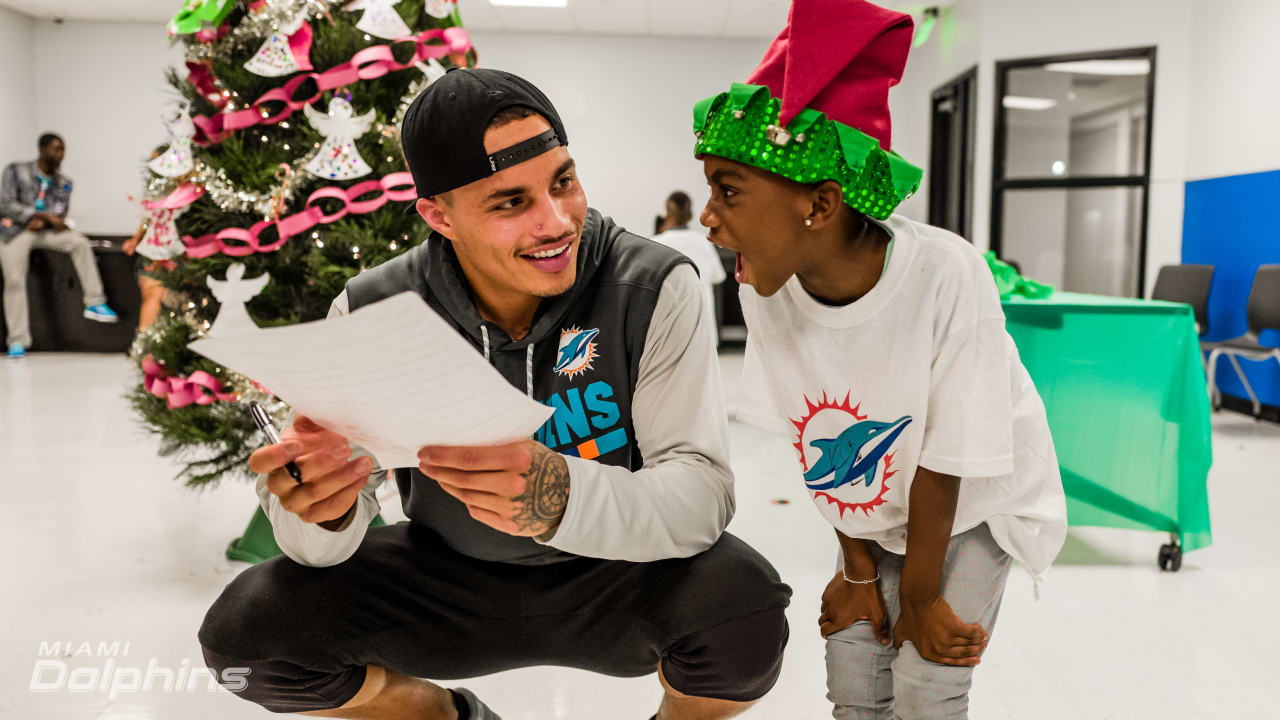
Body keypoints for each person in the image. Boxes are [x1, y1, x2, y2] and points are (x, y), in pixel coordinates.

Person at [199, 68, 791, 720]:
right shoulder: (377, 306)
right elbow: (320, 548)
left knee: (745, 613)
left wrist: (558, 495)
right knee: (247, 638)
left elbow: (702, 496)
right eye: (510, 202)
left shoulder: (653, 284)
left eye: (563, 181)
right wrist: (320, 511)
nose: (556, 221)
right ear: (437, 215)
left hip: (618, 573)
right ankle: (448, 716)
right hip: (444, 577)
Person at [689, 1, 1067, 717]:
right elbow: (819, 441)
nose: (709, 215)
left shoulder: (945, 273)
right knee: (856, 666)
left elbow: (952, 450)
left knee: (928, 675)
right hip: (878, 502)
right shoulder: (765, 289)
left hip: (975, 498)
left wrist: (920, 593)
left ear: (821, 205)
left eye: (729, 191)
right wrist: (859, 570)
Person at [1, 133, 118, 358]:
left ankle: (94, 301)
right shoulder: (16, 171)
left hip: (44, 232)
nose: (60, 154)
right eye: (56, 149)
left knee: (79, 242)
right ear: (42, 149)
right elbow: (5, 204)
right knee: (14, 279)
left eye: (63, 149)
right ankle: (17, 340)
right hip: (14, 231)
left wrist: (45, 220)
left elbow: (59, 214)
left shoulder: (64, 183)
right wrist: (36, 214)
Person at [653, 191, 727, 344]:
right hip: (703, 325)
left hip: (668, 327)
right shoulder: (704, 242)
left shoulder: (655, 244)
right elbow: (718, 276)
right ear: (690, 214)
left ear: (667, 214)